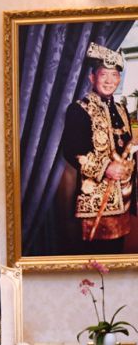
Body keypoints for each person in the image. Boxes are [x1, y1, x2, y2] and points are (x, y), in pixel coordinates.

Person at [60, 42, 134, 255]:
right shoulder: (78, 109)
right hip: (95, 203)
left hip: (123, 199)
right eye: (104, 75)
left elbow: (125, 147)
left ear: (119, 79)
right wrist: (105, 167)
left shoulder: (121, 110)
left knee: (117, 256)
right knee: (96, 261)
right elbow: (72, 150)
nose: (110, 81)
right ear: (92, 77)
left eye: (114, 76)